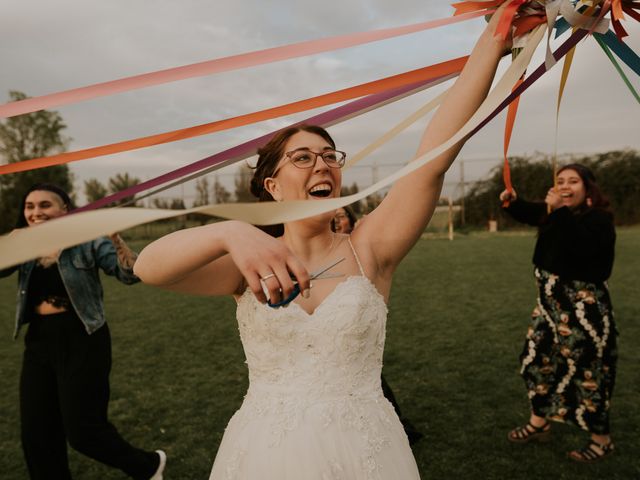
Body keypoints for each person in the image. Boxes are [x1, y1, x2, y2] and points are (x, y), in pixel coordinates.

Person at [135, 8, 510, 478]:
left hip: (366, 450)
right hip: (264, 453)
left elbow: (433, 156)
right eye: (303, 157)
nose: (322, 165)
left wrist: (499, 35)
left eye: (330, 156)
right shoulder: (246, 265)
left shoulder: (370, 248)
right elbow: (148, 267)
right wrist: (229, 231)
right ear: (273, 186)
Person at [0, 183, 166, 480]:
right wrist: (9, 246)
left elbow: (130, 274)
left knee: (83, 431)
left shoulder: (87, 240)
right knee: (37, 431)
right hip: (38, 340)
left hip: (83, 338)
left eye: (45, 205)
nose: (36, 212)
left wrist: (116, 240)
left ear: (65, 210)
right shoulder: (24, 245)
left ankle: (147, 465)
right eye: (30, 206)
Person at [500, 164, 617, 463]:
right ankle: (539, 423)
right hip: (549, 312)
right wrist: (512, 201)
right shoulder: (557, 214)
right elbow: (532, 212)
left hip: (583, 315)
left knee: (588, 375)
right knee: (535, 363)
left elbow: (581, 245)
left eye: (573, 181)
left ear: (588, 188)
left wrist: (558, 209)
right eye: (560, 180)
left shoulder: (599, 220)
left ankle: (601, 441)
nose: (565, 185)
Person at [332, 205, 424, 445]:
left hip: (360, 330)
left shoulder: (366, 244)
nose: (337, 221)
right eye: (335, 217)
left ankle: (395, 422)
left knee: (371, 381)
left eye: (341, 216)